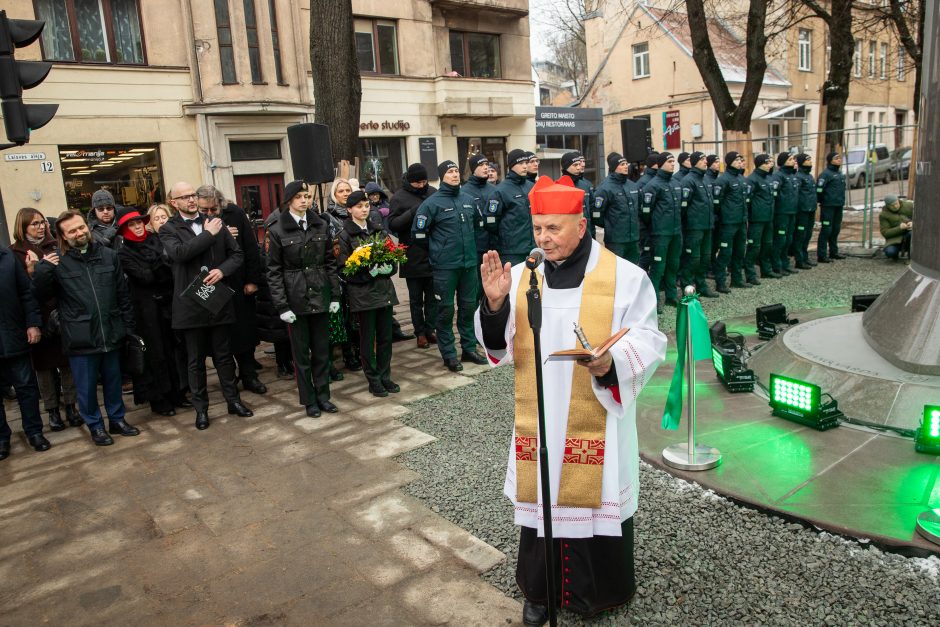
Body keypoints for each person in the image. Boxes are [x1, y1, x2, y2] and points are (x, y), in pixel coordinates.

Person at [475, 175, 666, 625]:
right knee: (542, 493)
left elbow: (650, 338)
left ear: (581, 226)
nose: (543, 238)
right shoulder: (521, 276)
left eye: (553, 229)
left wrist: (611, 363)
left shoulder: (624, 277)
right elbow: (497, 347)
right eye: (538, 228)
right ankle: (540, 592)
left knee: (594, 499)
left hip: (595, 412)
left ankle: (594, 592)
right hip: (539, 417)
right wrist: (495, 306)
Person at [33, 211, 140, 446]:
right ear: (62, 236)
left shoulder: (109, 255)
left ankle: (117, 419)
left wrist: (128, 327)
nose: (79, 233)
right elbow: (42, 296)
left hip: (111, 330)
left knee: (113, 381)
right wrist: (41, 270)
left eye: (81, 227)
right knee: (87, 387)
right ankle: (95, 426)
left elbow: (123, 295)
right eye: (72, 231)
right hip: (81, 337)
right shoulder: (57, 262)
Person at [159, 181, 252, 430]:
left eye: (192, 195)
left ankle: (233, 401)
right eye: (185, 196)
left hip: (217, 298)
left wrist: (222, 271)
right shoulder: (169, 229)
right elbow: (179, 254)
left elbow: (237, 255)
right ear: (173, 202)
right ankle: (201, 410)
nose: (191, 199)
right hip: (190, 304)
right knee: (195, 360)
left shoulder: (213, 221)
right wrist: (207, 235)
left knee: (223, 356)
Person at [266, 181, 341, 417]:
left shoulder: (320, 225)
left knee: (321, 351)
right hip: (296, 299)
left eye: (307, 196)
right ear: (289, 200)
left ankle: (323, 396)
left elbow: (329, 262)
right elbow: (273, 271)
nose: (304, 200)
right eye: (298, 196)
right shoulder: (276, 230)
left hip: (320, 295)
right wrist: (282, 305)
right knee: (301, 355)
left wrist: (335, 294)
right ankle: (309, 399)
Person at [413, 160, 488, 372]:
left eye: (456, 171)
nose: (455, 175)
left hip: (469, 264)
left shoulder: (468, 199)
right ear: (442, 176)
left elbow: (478, 225)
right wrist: (438, 250)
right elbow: (419, 234)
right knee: (445, 311)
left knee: (468, 308)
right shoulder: (431, 203)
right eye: (450, 172)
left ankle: (469, 348)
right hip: (445, 267)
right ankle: (449, 354)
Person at [10, 208, 80, 431]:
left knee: (67, 363)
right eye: (34, 224)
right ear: (23, 227)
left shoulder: (57, 245)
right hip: (37, 316)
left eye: (42, 223)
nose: (41, 227)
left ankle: (71, 406)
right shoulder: (15, 253)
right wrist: (32, 272)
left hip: (61, 312)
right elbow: (20, 290)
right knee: (44, 367)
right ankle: (52, 410)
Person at [195, 185, 267, 395]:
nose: (209, 214)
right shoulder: (194, 222)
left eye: (213, 210)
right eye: (204, 210)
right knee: (220, 338)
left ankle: (249, 375)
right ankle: (228, 379)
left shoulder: (235, 213)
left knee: (244, 332)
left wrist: (253, 280)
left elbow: (251, 247)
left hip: (238, 281)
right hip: (210, 284)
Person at [116, 209, 187, 417]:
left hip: (167, 304)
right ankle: (159, 398)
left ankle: (177, 393)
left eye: (139, 223)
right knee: (155, 353)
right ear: (124, 229)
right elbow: (144, 277)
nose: (138, 227)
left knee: (172, 349)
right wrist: (160, 264)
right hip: (145, 310)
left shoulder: (156, 240)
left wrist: (161, 268)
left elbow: (171, 272)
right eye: (132, 224)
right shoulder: (123, 252)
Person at [337, 191, 399, 397]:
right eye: (359, 206)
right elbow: (344, 270)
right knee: (367, 338)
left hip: (383, 291)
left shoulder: (379, 231)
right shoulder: (345, 235)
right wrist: (368, 274)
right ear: (349, 210)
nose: (364, 209)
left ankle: (385, 375)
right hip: (363, 295)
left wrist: (386, 268)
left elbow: (393, 261)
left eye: (366, 206)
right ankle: (373, 379)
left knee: (385, 337)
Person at [0, 244, 50, 459]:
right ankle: (2, 438)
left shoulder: (7, 258)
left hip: (13, 334)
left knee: (26, 387)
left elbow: (26, 293)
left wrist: (32, 323)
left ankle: (34, 432)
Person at [388, 164, 439, 349]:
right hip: (412, 254)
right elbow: (393, 224)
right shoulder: (398, 197)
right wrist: (412, 212)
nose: (421, 185)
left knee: (432, 297)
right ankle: (420, 333)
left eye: (424, 181)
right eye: (417, 182)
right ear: (410, 181)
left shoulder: (433, 192)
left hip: (433, 252)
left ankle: (431, 328)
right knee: (416, 298)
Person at [640, 152, 684, 312]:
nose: (673, 164)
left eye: (674, 161)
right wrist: (656, 226)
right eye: (670, 161)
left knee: (673, 265)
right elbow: (645, 212)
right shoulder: (652, 186)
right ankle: (655, 300)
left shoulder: (675, 183)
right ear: (660, 164)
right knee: (658, 268)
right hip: (660, 234)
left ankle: (671, 297)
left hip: (675, 232)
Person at [679, 152, 718, 297]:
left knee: (705, 258)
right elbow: (683, 206)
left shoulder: (706, 179)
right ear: (695, 162)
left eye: (705, 159)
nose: (705, 162)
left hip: (707, 226)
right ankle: (687, 288)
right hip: (694, 227)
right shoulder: (688, 181)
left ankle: (702, 286)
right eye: (702, 160)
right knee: (692, 260)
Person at [461, 153, 501, 286]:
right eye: (481, 165)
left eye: (487, 164)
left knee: (496, 282)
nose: (486, 168)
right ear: (473, 169)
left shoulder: (495, 190)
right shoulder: (464, 192)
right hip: (476, 247)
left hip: (496, 245)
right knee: (477, 285)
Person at [713, 151, 750, 293]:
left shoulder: (741, 178)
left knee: (740, 251)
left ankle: (737, 279)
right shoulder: (723, 180)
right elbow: (717, 202)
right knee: (725, 253)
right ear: (729, 162)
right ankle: (720, 282)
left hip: (741, 221)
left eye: (740, 159)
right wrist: (725, 215)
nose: (740, 162)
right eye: (736, 160)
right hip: (728, 222)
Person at [594, 152, 640, 264]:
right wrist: (610, 224)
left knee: (633, 269)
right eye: (622, 164)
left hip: (633, 239)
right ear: (614, 167)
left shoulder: (632, 185)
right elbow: (597, 215)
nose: (626, 166)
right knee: (616, 269)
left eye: (626, 164)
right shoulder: (605, 188)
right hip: (616, 240)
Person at [493, 149, 537, 266]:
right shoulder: (501, 190)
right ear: (512, 166)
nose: (524, 166)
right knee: (515, 283)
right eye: (520, 163)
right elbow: (491, 222)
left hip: (534, 248)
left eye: (526, 163)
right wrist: (507, 236)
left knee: (535, 282)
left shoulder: (532, 187)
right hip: (512, 251)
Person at [744, 153, 778, 285]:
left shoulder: (768, 178)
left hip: (768, 217)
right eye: (768, 162)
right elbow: (747, 200)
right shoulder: (752, 179)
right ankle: (750, 274)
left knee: (767, 245)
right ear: (761, 164)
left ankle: (766, 270)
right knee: (754, 247)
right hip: (757, 219)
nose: (771, 164)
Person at [771, 152, 801, 275]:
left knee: (788, 239)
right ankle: (777, 265)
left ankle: (785, 264)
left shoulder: (793, 176)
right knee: (780, 240)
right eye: (790, 159)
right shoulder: (778, 176)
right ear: (783, 162)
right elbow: (774, 195)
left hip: (791, 212)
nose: (793, 161)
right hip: (781, 213)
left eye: (793, 159)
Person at [816, 151, 847, 263]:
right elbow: (819, 190)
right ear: (830, 161)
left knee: (836, 229)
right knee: (826, 230)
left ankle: (834, 252)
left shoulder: (840, 174)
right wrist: (823, 201)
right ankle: (822, 255)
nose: (839, 159)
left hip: (838, 206)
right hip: (828, 207)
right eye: (836, 158)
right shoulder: (825, 174)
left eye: (840, 158)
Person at [561, 151, 596, 238]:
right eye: (575, 165)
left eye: (579, 165)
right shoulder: (559, 186)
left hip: (588, 233)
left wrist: (592, 232)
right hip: (570, 234)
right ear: (566, 167)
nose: (578, 167)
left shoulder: (585, 185)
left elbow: (592, 208)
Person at [791, 153, 818, 269]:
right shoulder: (798, 177)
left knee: (808, 235)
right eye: (807, 160)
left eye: (810, 159)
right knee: (800, 236)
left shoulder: (809, 176)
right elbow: (796, 195)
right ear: (802, 162)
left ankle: (805, 257)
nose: (810, 161)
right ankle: (799, 260)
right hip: (802, 211)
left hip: (810, 209)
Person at [635, 152, 660, 272]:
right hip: (645, 225)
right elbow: (642, 208)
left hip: (656, 224)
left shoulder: (658, 179)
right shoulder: (643, 183)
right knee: (647, 253)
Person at [879, 194, 914, 260]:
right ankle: (895, 254)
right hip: (895, 239)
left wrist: (913, 223)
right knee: (890, 252)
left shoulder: (909, 206)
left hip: (910, 235)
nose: (895, 206)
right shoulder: (883, 215)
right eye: (892, 205)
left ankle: (911, 257)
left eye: (896, 203)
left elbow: (922, 218)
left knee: (911, 234)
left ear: (898, 200)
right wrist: (899, 228)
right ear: (887, 206)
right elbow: (885, 233)